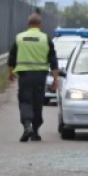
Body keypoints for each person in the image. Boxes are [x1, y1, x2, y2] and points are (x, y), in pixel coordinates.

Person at [8, 13, 59, 142]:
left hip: (25, 76)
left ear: (28, 24)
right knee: (37, 102)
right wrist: (55, 78)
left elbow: (12, 57)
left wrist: (10, 72)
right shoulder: (45, 38)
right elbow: (53, 59)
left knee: (25, 101)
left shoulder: (20, 37)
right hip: (40, 76)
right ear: (40, 25)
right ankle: (35, 131)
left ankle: (27, 126)